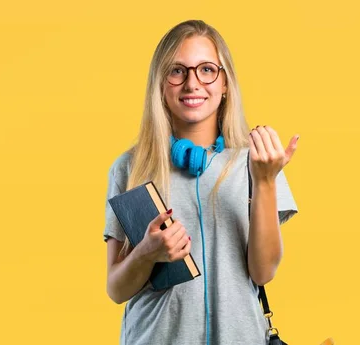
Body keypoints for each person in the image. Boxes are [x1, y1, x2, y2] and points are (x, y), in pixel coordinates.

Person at [103, 19, 299, 345]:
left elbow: (263, 272)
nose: (192, 83)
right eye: (177, 71)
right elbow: (116, 289)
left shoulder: (259, 161)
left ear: (225, 83)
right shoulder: (130, 168)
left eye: (207, 70)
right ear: (160, 84)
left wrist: (264, 181)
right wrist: (146, 254)